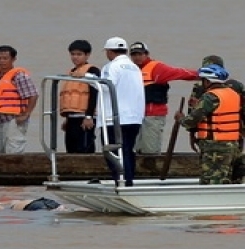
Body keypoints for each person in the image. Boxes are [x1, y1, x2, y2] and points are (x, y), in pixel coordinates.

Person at [175, 64, 241, 184]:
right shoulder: (233, 94)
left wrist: (180, 118)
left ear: (208, 81)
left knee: (212, 180)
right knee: (227, 178)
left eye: (203, 80)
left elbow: (191, 121)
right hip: (232, 144)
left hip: (215, 147)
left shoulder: (210, 97)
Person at [129, 41, 198, 154]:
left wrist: (201, 74)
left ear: (146, 54)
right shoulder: (131, 69)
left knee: (150, 151)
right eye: (134, 55)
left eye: (140, 54)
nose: (137, 57)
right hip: (135, 116)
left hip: (153, 115)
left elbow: (180, 73)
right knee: (137, 150)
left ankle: (153, 170)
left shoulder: (157, 68)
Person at [98, 37, 145, 187]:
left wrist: (90, 80)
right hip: (134, 117)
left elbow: (106, 87)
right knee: (127, 150)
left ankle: (122, 182)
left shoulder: (111, 66)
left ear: (110, 51)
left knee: (113, 152)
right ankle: (128, 181)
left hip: (114, 118)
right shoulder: (134, 67)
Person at [0, 45, 38, 154]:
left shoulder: (19, 76)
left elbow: (33, 95)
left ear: (13, 59)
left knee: (13, 149)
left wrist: (26, 114)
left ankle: (15, 171)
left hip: (14, 119)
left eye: (5, 58)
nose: (2, 61)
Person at [188, 55, 245, 153]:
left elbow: (193, 114)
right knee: (234, 160)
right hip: (233, 133)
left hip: (210, 138)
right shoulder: (236, 86)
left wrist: (192, 135)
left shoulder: (200, 87)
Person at [60, 40, 100, 153]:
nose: (75, 57)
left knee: (85, 146)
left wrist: (89, 116)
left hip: (84, 117)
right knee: (71, 147)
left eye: (79, 54)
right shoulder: (72, 72)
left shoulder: (92, 70)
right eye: (73, 54)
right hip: (72, 117)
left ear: (87, 55)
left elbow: (94, 94)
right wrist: (67, 119)